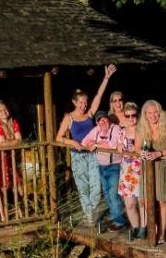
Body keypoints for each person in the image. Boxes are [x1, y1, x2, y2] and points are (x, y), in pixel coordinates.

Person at [55, 64, 116, 224]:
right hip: (78, 156)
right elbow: (58, 138)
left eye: (85, 102)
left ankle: (90, 211)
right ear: (74, 102)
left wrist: (106, 78)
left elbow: (98, 97)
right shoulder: (69, 118)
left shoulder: (90, 114)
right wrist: (73, 142)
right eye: (81, 102)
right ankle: (89, 216)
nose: (84, 105)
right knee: (83, 188)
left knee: (96, 187)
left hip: (92, 154)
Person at [136, 100, 166, 243]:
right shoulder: (141, 128)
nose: (153, 116)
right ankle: (153, 228)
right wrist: (141, 152)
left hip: (162, 167)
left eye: (155, 112)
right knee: (146, 201)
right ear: (145, 115)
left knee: (162, 202)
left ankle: (161, 233)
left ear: (159, 113)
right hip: (147, 167)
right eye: (149, 113)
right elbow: (136, 147)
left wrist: (159, 153)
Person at [81, 110, 127, 231]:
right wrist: (95, 143)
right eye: (100, 120)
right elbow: (84, 142)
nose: (103, 121)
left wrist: (96, 145)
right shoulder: (96, 130)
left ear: (108, 119)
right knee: (106, 193)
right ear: (97, 122)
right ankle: (115, 216)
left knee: (113, 194)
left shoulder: (116, 128)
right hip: (101, 166)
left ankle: (119, 221)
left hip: (114, 166)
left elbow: (112, 145)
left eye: (105, 119)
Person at [118, 102, 146, 238]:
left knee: (142, 201)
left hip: (141, 169)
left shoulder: (143, 130)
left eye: (133, 115)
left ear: (138, 115)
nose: (131, 118)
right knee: (129, 203)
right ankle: (135, 226)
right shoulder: (121, 132)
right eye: (127, 116)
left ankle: (144, 227)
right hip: (126, 171)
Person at [0, 102, 22, 220]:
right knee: (1, 186)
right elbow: (3, 144)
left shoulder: (13, 122)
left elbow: (19, 140)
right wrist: (12, 141)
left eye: (5, 110)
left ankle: (20, 211)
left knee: (16, 183)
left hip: (12, 157)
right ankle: (3, 215)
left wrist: (6, 143)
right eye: (0, 111)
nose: (4, 112)